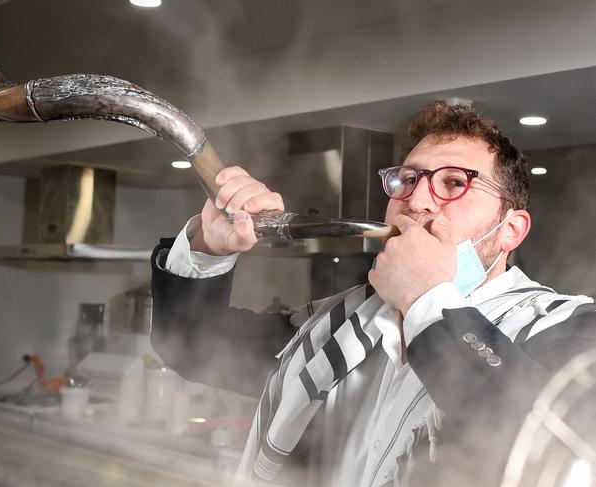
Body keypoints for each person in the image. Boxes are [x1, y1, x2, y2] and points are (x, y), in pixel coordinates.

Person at [150, 101, 596, 487]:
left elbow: (555, 448)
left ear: (511, 231)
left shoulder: (569, 327)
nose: (416, 201)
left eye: (454, 183)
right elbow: (191, 347)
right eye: (407, 180)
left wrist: (427, 296)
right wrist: (208, 246)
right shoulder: (337, 325)